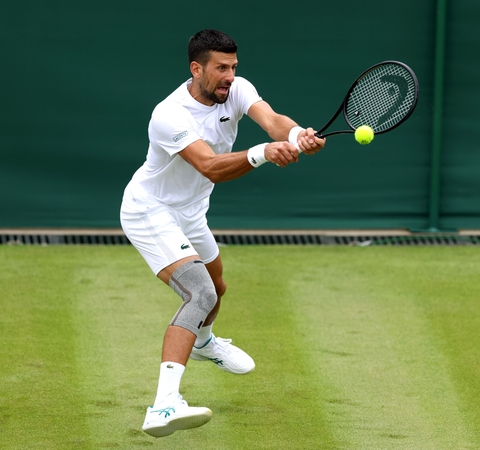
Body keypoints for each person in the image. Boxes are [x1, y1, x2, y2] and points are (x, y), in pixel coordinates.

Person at [120, 29, 326, 438]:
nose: (229, 76)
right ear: (196, 69)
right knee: (201, 293)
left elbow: (273, 121)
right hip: (151, 211)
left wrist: (295, 135)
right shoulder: (169, 114)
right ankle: (163, 405)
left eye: (233, 67)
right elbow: (211, 166)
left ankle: (204, 342)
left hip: (192, 213)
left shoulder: (236, 90)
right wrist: (263, 154)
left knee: (217, 286)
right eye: (220, 68)